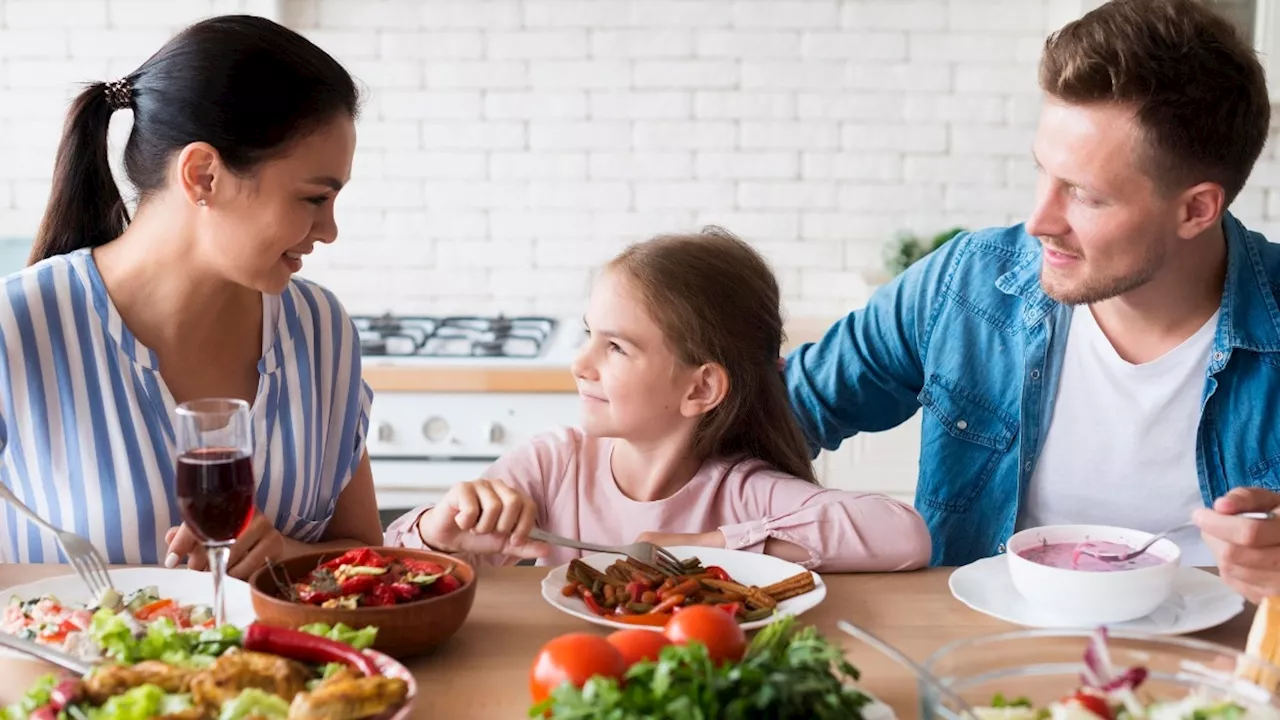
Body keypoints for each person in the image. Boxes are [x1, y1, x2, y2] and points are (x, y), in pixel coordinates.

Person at [783, 0, 1280, 599]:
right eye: (1042, 172)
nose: (1040, 221)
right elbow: (784, 411)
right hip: (985, 660)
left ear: (1196, 209)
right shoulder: (966, 284)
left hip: (1221, 674)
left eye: (1085, 196)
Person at [0, 15, 383, 577]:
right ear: (203, 175)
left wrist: (285, 558)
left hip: (289, 668)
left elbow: (363, 558)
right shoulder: (18, 329)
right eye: (312, 198)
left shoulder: (321, 331)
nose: (329, 230)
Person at [384, 228, 931, 573]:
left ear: (700, 388)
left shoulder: (740, 493)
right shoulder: (551, 466)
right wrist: (439, 530)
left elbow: (905, 536)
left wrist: (708, 545)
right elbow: (392, 560)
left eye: (616, 347)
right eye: (588, 334)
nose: (580, 363)